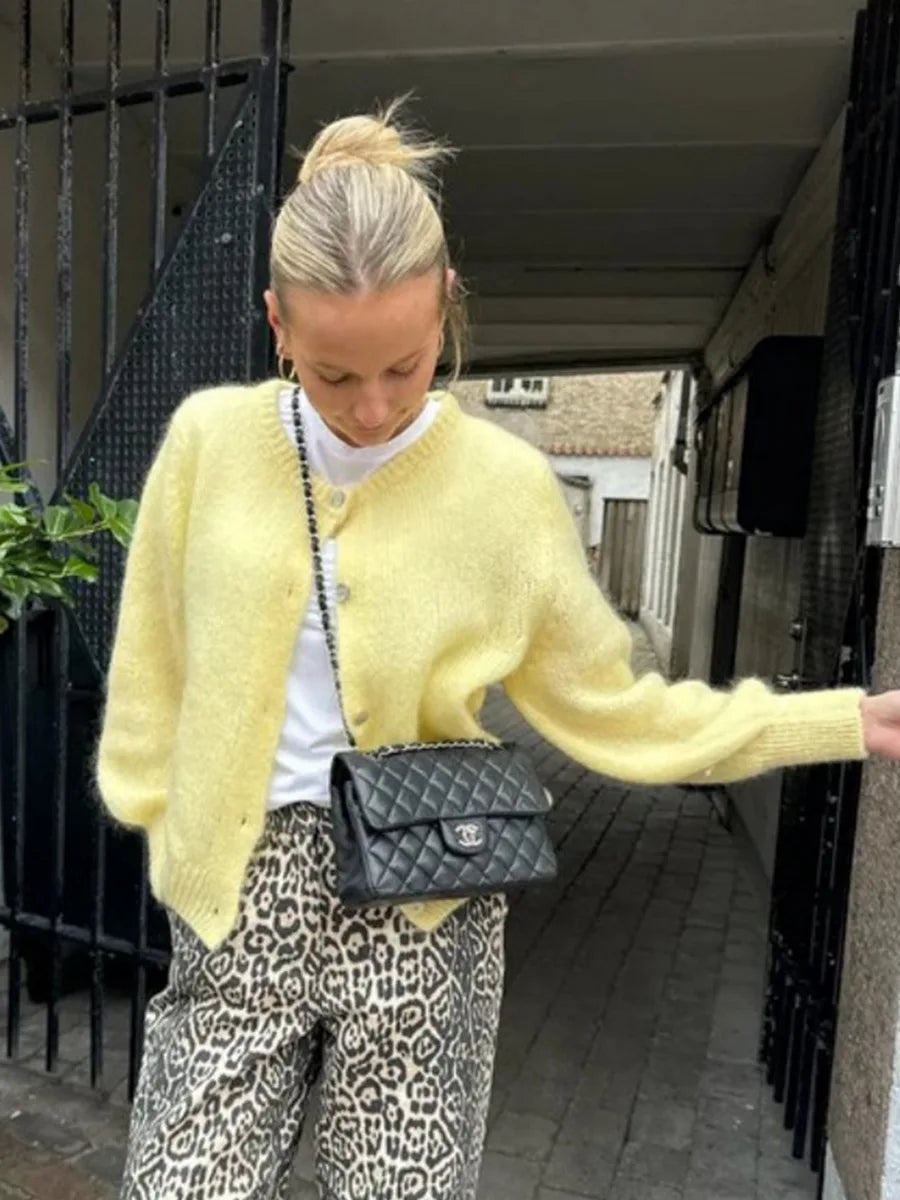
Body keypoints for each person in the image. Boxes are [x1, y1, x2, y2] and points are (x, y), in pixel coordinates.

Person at [97, 100, 900, 1200]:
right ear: (277, 320)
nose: (373, 407)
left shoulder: (505, 492)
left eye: (408, 365)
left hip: (423, 905)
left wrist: (832, 720)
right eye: (333, 375)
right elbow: (152, 651)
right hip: (237, 897)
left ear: (448, 312)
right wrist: (157, 817)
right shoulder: (210, 443)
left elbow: (609, 706)